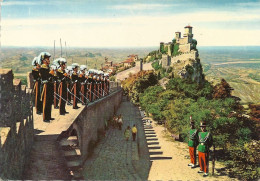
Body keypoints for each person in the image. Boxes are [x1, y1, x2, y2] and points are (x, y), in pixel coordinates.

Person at [38, 52, 53, 122]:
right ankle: (45, 117)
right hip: (45, 86)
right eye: (47, 59)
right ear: (43, 60)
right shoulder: (42, 68)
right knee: (45, 101)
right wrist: (50, 74)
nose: (48, 60)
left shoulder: (48, 68)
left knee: (49, 101)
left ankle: (49, 116)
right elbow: (45, 77)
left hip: (49, 86)